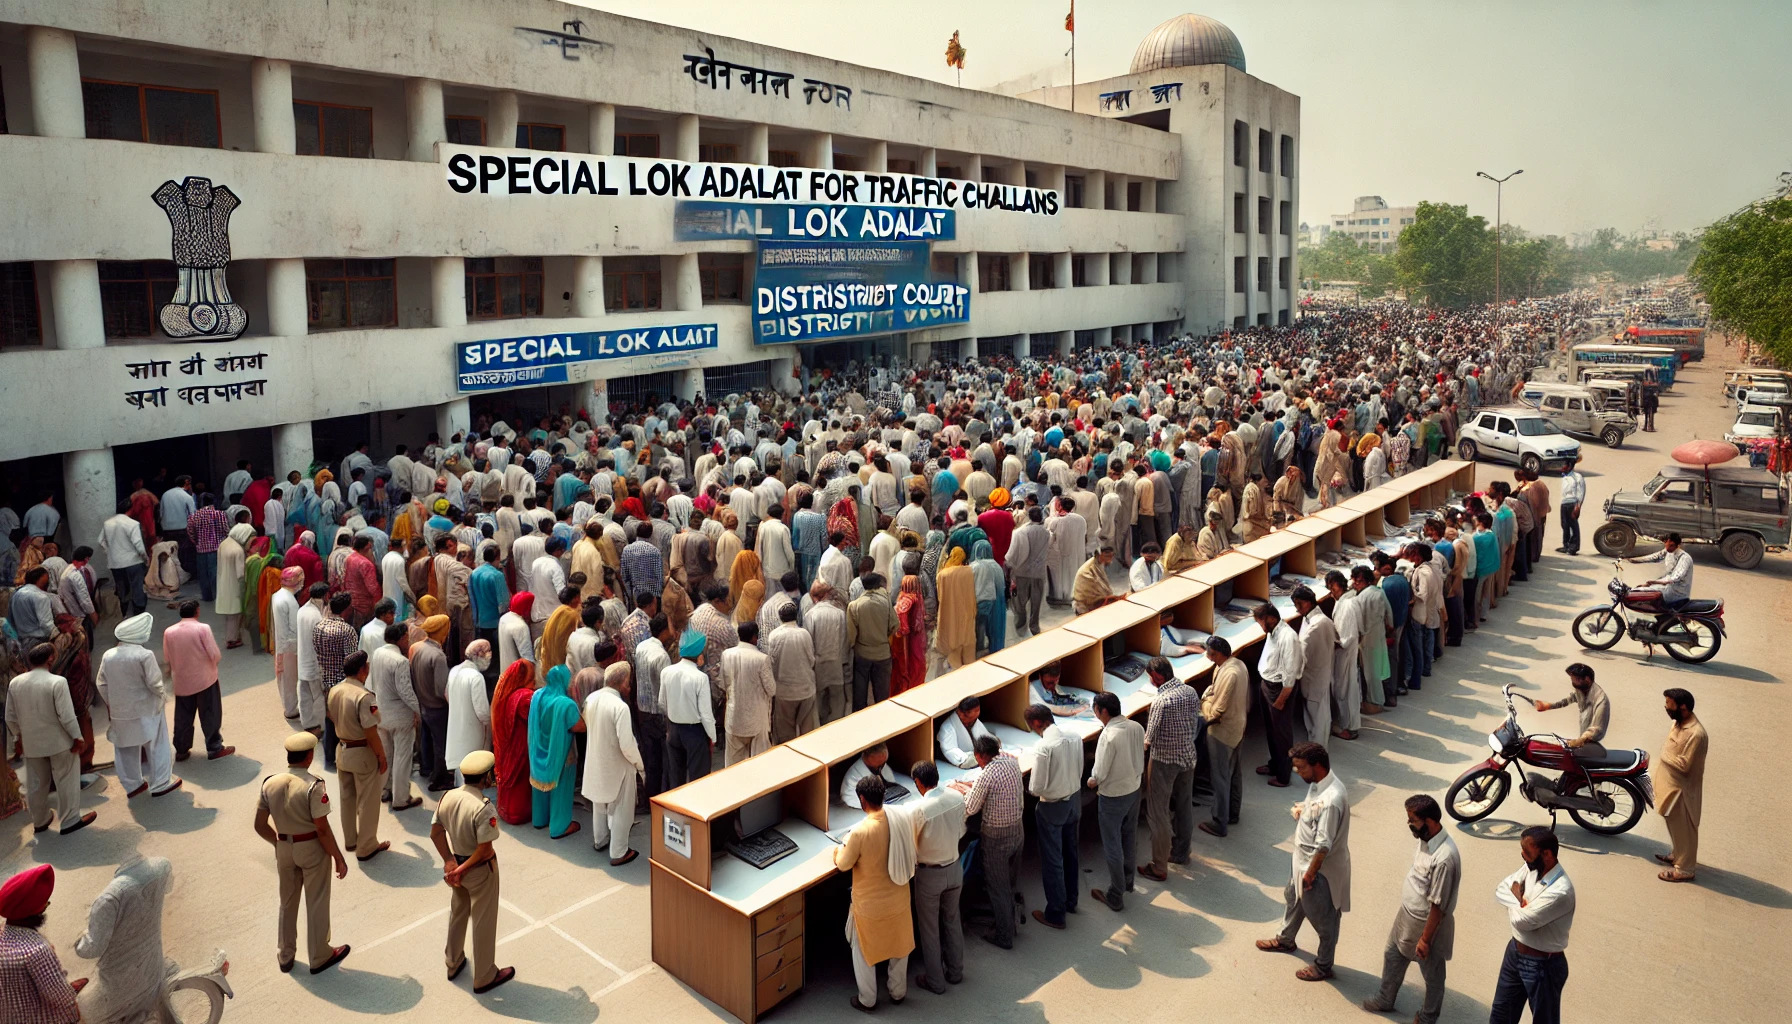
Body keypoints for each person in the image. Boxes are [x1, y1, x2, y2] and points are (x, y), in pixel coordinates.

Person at [254, 732, 351, 975]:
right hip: (311, 848)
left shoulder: (270, 782)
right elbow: (322, 828)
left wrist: (278, 844)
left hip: (284, 847)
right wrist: (338, 857)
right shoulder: (314, 786)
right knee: (316, 901)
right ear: (309, 756)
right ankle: (319, 955)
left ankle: (285, 954)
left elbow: (259, 825)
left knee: (287, 902)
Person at [1257, 742, 1350, 983]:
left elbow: (1324, 844)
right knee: (1293, 899)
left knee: (1324, 919)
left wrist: (1310, 873)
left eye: (1300, 767)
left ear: (1317, 766)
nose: (1297, 772)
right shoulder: (1319, 785)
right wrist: (1304, 809)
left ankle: (1323, 965)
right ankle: (1285, 939)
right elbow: (1315, 816)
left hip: (1318, 871)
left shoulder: (1331, 800)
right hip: (1301, 862)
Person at [1363, 795, 1460, 1024]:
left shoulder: (1445, 857)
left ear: (1430, 821)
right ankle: (1385, 1000)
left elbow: (1438, 905)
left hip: (1427, 925)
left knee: (1433, 974)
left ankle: (1428, 1017)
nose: (1409, 825)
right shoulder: (1426, 837)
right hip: (1406, 915)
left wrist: (1426, 939)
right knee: (1393, 954)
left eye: (1412, 820)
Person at [431, 750, 516, 993]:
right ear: (486, 778)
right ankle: (485, 975)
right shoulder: (483, 808)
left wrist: (450, 863)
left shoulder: (447, 796)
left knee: (458, 913)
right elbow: (485, 850)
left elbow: (436, 832)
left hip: (456, 865)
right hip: (478, 870)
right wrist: (462, 869)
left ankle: (453, 962)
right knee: (483, 920)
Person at [834, 775, 914, 1011]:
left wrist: (839, 849)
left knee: (863, 952)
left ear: (862, 799)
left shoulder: (859, 832)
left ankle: (867, 999)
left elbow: (843, 864)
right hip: (899, 897)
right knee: (899, 947)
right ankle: (898, 992)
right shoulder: (900, 815)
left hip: (870, 906)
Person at [7, 642, 98, 835]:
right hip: (59, 742)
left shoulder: (16, 683)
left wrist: (18, 738)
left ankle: (40, 821)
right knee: (66, 779)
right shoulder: (57, 682)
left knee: (37, 784)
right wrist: (77, 737)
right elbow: (66, 715)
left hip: (32, 744)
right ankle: (70, 820)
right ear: (51, 659)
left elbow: (10, 717)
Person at [73, 854, 174, 1024]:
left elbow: (93, 948)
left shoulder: (108, 898)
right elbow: (168, 887)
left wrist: (78, 943)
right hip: (153, 962)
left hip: (119, 980)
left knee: (84, 1008)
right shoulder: (162, 866)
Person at [1490, 826, 1575, 1024]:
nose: (1523, 856)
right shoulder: (1530, 867)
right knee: (1501, 1015)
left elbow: (1522, 922)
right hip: (1514, 955)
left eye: (1527, 852)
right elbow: (1502, 887)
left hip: (1543, 966)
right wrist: (1520, 904)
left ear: (1546, 854)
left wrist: (1515, 900)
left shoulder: (1561, 891)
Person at [95, 613, 182, 799]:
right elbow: (154, 683)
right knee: (158, 744)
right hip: (147, 708)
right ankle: (160, 783)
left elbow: (101, 683)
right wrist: (163, 696)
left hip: (120, 710)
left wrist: (112, 702)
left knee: (124, 746)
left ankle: (132, 784)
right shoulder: (144, 655)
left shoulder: (108, 655)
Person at [959, 733, 1023, 949]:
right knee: (1009, 881)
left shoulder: (986, 775)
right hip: (1017, 830)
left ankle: (1004, 936)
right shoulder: (1011, 761)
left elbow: (970, 808)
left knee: (998, 887)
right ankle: (1009, 921)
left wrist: (962, 791)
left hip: (997, 837)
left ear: (979, 756)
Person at [908, 759, 966, 994]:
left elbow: (911, 843)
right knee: (952, 920)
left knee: (929, 929)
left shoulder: (919, 810)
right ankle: (956, 971)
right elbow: (962, 830)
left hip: (929, 874)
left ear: (918, 782)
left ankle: (935, 981)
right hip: (954, 866)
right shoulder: (956, 797)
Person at [1139, 655, 1199, 881]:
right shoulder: (1190, 691)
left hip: (1164, 760)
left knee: (1158, 812)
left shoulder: (1161, 701)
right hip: (1187, 756)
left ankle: (1159, 865)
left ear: (1158, 677)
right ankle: (1181, 853)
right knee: (1184, 805)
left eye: (1151, 678)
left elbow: (1149, 738)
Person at [327, 650, 390, 863]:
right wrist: (381, 756)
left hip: (342, 749)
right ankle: (367, 846)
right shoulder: (364, 697)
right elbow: (371, 732)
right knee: (368, 802)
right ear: (363, 669)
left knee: (347, 798)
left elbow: (331, 716)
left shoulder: (335, 690)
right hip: (362, 752)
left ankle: (351, 840)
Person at [0, 864, 83, 1022]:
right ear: (35, 910)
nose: (46, 905)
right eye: (45, 903)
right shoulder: (37, 950)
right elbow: (60, 998)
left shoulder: (3, 933)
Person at [1026, 702, 1083, 929]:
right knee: (1071, 852)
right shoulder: (1074, 737)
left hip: (1051, 807)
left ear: (1038, 723)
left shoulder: (1043, 747)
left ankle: (1056, 912)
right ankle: (1071, 900)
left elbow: (1036, 788)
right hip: (1073, 799)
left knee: (1052, 860)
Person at [1086, 691, 1144, 911]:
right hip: (1134, 789)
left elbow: (1099, 773)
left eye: (1096, 710)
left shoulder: (1108, 736)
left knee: (1112, 845)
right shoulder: (1136, 727)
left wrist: (1091, 782)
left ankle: (1116, 893)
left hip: (1113, 796)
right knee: (1129, 836)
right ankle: (1128, 881)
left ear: (1103, 711)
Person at [582, 663, 644, 866]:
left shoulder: (591, 698)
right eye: (628, 682)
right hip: (618, 764)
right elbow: (626, 744)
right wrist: (639, 764)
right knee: (622, 809)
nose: (629, 687)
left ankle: (600, 840)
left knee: (599, 802)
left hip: (596, 759)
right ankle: (618, 852)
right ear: (621, 682)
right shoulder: (620, 707)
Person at [161, 600, 236, 762]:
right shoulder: (203, 629)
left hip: (182, 682)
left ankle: (181, 749)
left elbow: (167, 657)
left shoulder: (169, 632)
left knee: (183, 716)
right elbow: (214, 654)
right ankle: (214, 747)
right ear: (197, 612)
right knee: (210, 713)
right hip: (205, 679)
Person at [1654, 687, 1707, 883]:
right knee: (1675, 826)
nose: (1666, 708)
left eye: (1669, 705)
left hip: (1682, 792)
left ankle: (1685, 869)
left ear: (1683, 707)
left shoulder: (1696, 734)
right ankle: (1678, 854)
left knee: (1684, 829)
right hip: (1670, 788)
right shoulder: (1677, 723)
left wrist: (1664, 755)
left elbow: (1685, 765)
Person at [528, 664, 583, 840]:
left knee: (540, 783)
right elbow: (579, 727)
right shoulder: (566, 704)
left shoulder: (537, 695)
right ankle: (560, 826)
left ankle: (539, 819)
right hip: (561, 752)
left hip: (538, 748)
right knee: (562, 786)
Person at [1199, 636, 1247, 837]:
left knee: (1220, 777)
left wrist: (1204, 700)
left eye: (1210, 654)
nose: (1208, 658)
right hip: (1237, 727)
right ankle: (1233, 813)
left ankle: (1220, 821)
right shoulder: (1237, 664)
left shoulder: (1229, 673)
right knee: (1234, 772)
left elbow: (1214, 714)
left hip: (1222, 732)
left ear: (1217, 653)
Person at [370, 623, 421, 809]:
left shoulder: (377, 654)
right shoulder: (400, 662)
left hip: (382, 714)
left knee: (386, 755)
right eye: (406, 638)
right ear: (400, 639)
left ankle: (385, 790)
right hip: (400, 717)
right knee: (402, 757)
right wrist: (418, 711)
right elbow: (406, 692)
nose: (408, 641)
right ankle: (401, 798)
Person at [1255, 603, 1303, 787]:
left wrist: (1282, 698)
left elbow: (1290, 672)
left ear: (1271, 618)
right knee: (1271, 729)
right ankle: (1275, 765)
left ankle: (1284, 776)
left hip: (1279, 689)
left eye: (1261, 622)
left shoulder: (1288, 636)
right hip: (1268, 683)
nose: (1261, 626)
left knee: (1281, 732)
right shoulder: (1272, 632)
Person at [661, 629, 716, 788]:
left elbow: (662, 702)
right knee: (698, 781)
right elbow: (706, 714)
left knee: (676, 779)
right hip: (695, 733)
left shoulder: (667, 672)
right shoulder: (700, 678)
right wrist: (713, 736)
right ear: (699, 654)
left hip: (673, 731)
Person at [720, 621, 776, 766]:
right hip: (757, 720)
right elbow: (771, 689)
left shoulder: (727, 655)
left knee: (733, 766)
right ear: (754, 638)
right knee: (759, 765)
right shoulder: (761, 659)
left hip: (734, 719)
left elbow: (723, 684)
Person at [489, 659, 538, 825]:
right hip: (519, 745)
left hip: (506, 745)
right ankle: (517, 814)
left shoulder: (504, 690)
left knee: (507, 778)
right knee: (520, 780)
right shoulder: (525, 697)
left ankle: (505, 809)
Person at [1530, 663, 1609, 759]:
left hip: (1591, 743)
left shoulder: (1600, 700)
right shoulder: (1581, 690)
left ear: (1587, 680)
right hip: (1582, 739)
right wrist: (1549, 706)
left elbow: (1597, 728)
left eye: (1575, 680)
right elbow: (1567, 700)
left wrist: (1581, 740)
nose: (1573, 683)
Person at [765, 605, 818, 742]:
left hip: (784, 692)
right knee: (808, 732)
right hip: (805, 689)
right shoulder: (804, 634)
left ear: (780, 618)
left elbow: (772, 662)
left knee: (785, 734)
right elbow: (811, 660)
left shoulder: (774, 636)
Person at [1292, 586, 1337, 747]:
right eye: (1296, 604)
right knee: (1319, 714)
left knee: (1316, 717)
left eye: (1300, 603)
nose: (1298, 608)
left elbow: (1301, 657)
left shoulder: (1314, 627)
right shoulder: (1321, 619)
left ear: (1309, 602)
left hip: (1313, 676)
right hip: (1321, 674)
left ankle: (1317, 750)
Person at [445, 639, 493, 784]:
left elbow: (446, 694)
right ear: (479, 656)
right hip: (473, 733)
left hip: (456, 728)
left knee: (460, 774)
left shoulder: (454, 670)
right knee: (473, 774)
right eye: (487, 654)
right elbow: (483, 713)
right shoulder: (476, 677)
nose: (489, 657)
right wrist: (490, 726)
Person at [272, 566, 306, 722]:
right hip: (290, 645)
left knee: (284, 677)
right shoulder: (290, 601)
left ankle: (289, 706)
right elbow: (294, 627)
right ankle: (291, 709)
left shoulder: (278, 595)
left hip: (282, 643)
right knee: (291, 679)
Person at [1630, 531, 1693, 612]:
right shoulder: (1668, 551)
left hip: (1677, 592)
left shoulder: (1684, 558)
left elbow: (1674, 578)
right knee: (1638, 590)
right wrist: (1634, 560)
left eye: (1671, 545)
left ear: (1678, 545)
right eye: (1666, 544)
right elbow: (1654, 557)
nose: (1668, 548)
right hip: (1667, 587)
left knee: (1642, 595)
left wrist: (1651, 582)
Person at [936, 695, 992, 769]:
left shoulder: (973, 721)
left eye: (975, 720)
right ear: (961, 713)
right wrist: (972, 758)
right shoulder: (947, 728)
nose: (973, 722)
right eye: (971, 720)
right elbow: (950, 750)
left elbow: (985, 737)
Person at [839, 742, 897, 808]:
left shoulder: (882, 766)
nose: (879, 769)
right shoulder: (852, 777)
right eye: (875, 766)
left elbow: (891, 781)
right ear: (865, 757)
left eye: (882, 764)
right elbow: (849, 799)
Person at [1071, 545, 1118, 614]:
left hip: (1094, 602)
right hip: (1084, 605)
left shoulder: (1098, 564)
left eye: (1111, 556)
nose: (1110, 559)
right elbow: (1097, 590)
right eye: (1108, 556)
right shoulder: (1088, 570)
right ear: (1100, 555)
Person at [1556, 460, 1585, 555]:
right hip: (1564, 503)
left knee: (1573, 526)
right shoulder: (1564, 476)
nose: (1561, 467)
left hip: (1572, 503)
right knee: (1565, 525)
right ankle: (1566, 545)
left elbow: (1581, 492)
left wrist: (1578, 506)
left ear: (1569, 466)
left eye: (1563, 465)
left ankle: (1574, 547)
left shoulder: (1577, 477)